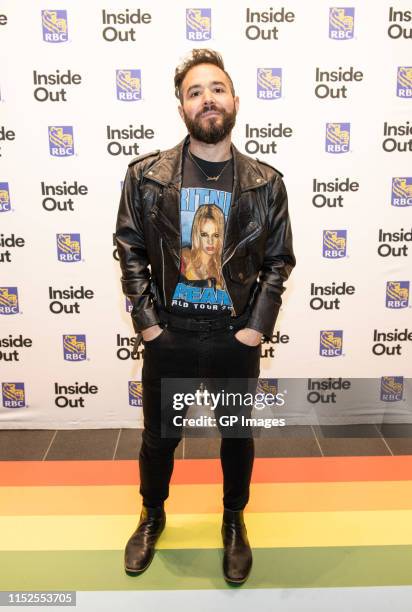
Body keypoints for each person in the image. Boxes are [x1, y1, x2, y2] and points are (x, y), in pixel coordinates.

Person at [115, 48, 296, 585]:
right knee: (158, 439)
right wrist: (148, 321)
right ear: (182, 108)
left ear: (235, 100)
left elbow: (277, 260)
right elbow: (129, 249)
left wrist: (254, 328)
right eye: (195, 91)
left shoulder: (266, 182)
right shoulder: (147, 177)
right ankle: (152, 515)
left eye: (216, 88)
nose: (207, 98)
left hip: (232, 339)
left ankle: (234, 521)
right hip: (168, 336)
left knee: (237, 438)